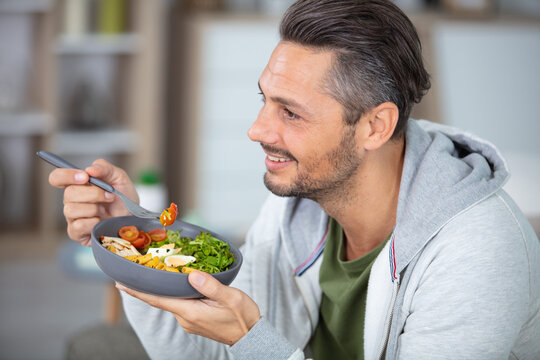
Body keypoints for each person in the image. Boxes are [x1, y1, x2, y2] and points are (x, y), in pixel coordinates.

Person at [48, 0, 540, 359]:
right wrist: (136, 243)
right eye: (264, 99)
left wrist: (252, 339)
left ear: (376, 126)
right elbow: (204, 355)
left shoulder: (475, 252)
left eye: (291, 113)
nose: (258, 129)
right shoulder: (295, 207)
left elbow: (246, 343)